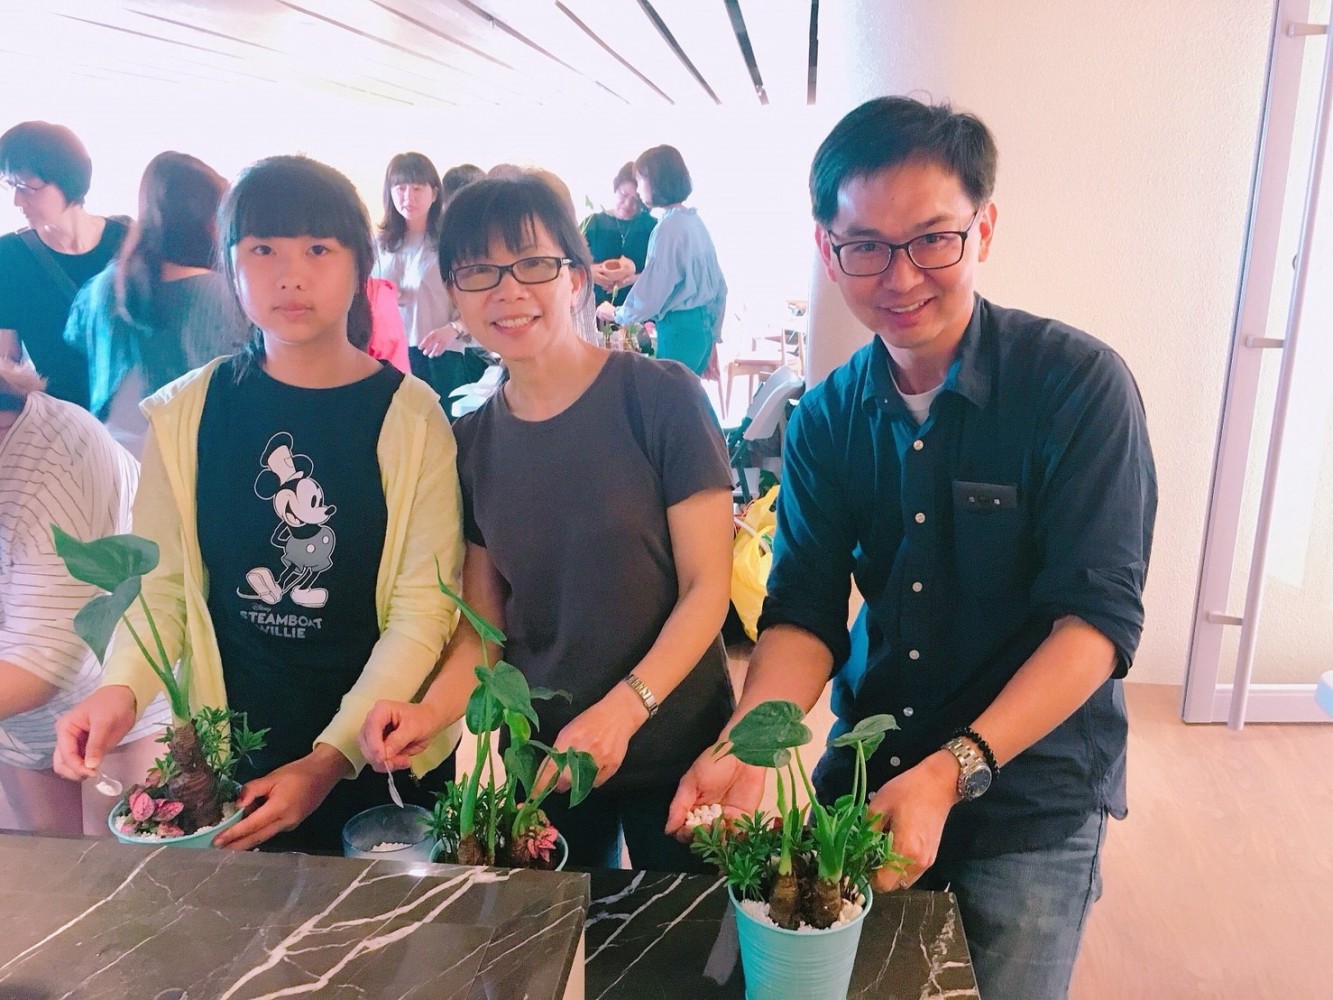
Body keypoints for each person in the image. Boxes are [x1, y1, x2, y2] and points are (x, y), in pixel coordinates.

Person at [667, 96, 1157, 999]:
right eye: (865, 246)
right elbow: (804, 612)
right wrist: (751, 743)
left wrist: (949, 772)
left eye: (932, 239)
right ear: (828, 251)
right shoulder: (827, 417)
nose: (899, 277)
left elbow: (1094, 625)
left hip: (1029, 793)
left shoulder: (1075, 386)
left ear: (983, 229)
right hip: (871, 768)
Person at [51, 155, 465, 853]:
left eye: (318, 250)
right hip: (232, 752)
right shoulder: (186, 415)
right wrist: (119, 691)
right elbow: (162, 587)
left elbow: (423, 610)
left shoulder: (412, 416)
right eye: (263, 250)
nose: (290, 275)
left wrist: (328, 760)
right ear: (230, 265)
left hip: (379, 751)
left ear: (359, 266)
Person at [358, 177, 735, 872]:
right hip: (547, 763)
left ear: (576, 277)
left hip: (677, 751)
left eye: (532, 263)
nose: (508, 291)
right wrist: (428, 713)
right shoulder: (471, 443)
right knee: (560, 932)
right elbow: (484, 629)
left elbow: (707, 588)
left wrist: (623, 711)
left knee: (681, 938)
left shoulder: (660, 398)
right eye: (479, 272)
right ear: (454, 293)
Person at [0, 360, 168, 836]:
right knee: (48, 873)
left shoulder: (55, 455)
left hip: (123, 707)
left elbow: (41, 662)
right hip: (19, 724)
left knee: (127, 874)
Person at [63, 151, 249, 458]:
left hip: (108, 460)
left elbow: (80, 346)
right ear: (212, 218)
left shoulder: (103, 287)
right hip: (184, 463)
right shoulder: (231, 295)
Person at [0, 122, 129, 409]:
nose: (17, 200)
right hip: (60, 423)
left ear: (68, 180)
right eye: (10, 185)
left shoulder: (130, 243)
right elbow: (6, 365)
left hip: (134, 420)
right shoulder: (8, 256)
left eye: (26, 187)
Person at [373, 151, 487, 415]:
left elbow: (478, 297)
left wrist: (454, 328)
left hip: (440, 353)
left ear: (434, 194)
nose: (408, 197)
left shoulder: (451, 242)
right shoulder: (379, 244)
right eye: (400, 188)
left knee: (443, 428)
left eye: (417, 188)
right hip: (391, 355)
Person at [597, 145, 726, 376]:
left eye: (640, 180)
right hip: (702, 331)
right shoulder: (695, 223)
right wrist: (712, 339)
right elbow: (720, 288)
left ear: (655, 180)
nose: (638, 190)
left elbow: (652, 294)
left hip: (678, 333)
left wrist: (615, 313)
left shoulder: (667, 228)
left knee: (665, 397)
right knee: (685, 396)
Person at [581, 161, 656, 308]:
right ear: (616, 189)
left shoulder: (652, 227)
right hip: (595, 309)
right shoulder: (593, 223)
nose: (628, 204)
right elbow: (569, 263)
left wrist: (633, 279)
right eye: (624, 194)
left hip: (639, 311)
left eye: (636, 200)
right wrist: (589, 273)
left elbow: (664, 274)